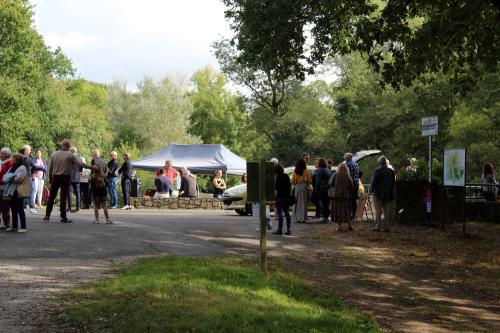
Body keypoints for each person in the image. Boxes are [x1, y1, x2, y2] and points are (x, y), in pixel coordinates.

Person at [43, 139, 93, 223]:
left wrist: (50, 179)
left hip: (55, 177)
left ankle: (47, 216)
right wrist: (92, 167)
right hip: (65, 177)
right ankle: (63, 216)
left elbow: (50, 168)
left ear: (62, 146)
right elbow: (81, 164)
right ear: (68, 147)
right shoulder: (70, 155)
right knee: (63, 197)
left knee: (51, 197)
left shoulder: (54, 154)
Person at [4, 153, 30, 232]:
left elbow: (19, 179)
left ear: (16, 159)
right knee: (13, 209)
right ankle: (14, 226)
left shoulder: (22, 167)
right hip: (12, 191)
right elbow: (5, 176)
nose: (12, 159)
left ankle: (23, 227)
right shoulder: (13, 167)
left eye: (13, 158)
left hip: (18, 190)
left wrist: (11, 178)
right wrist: (10, 177)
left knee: (20, 209)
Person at [371, 156, 396, 232]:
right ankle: (386, 227)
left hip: (378, 194)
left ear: (379, 162)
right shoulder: (391, 171)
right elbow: (393, 183)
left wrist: (372, 190)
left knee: (378, 211)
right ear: (385, 162)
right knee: (386, 211)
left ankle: (377, 226)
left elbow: (374, 182)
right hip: (388, 194)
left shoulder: (377, 170)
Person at [87, 149, 111, 224]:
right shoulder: (103, 161)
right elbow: (106, 172)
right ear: (99, 154)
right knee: (104, 203)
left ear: (94, 155)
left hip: (96, 185)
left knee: (96, 204)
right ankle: (107, 219)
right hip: (103, 184)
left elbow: (93, 174)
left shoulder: (93, 161)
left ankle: (97, 219)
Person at [329, 162, 353, 231]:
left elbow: (330, 183)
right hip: (345, 196)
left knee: (338, 211)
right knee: (346, 211)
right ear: (346, 169)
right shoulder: (348, 175)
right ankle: (349, 225)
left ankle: (340, 227)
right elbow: (351, 186)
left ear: (339, 168)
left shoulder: (335, 175)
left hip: (336, 196)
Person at [291, 158, 312, 224]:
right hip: (304, 187)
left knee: (296, 202)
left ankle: (296, 218)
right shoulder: (306, 171)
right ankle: (302, 218)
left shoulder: (295, 171)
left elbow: (293, 181)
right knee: (304, 203)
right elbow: (309, 181)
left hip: (297, 187)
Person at [273, 164, 292, 235]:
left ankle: (280, 229)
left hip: (279, 197)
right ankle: (289, 229)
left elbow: (276, 189)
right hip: (286, 198)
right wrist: (289, 195)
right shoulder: (286, 176)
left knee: (280, 214)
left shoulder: (277, 177)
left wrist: (274, 197)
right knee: (287, 213)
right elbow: (290, 187)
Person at [315, 158, 332, 223]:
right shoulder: (328, 170)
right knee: (326, 204)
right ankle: (326, 217)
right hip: (328, 189)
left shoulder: (320, 170)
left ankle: (325, 218)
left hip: (322, 190)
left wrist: (316, 190)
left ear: (319, 163)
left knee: (323, 204)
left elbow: (318, 181)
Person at [344, 153, 360, 222]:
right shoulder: (356, 163)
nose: (344, 158)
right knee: (353, 200)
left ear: (347, 158)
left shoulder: (348, 164)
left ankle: (349, 216)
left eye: (344, 157)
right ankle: (354, 215)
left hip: (350, 184)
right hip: (356, 183)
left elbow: (346, 175)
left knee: (348, 199)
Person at [0, 148, 13, 230]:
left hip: (5, 187)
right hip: (1, 186)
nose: (0, 155)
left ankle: (6, 224)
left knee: (5, 207)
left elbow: (8, 176)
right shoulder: (2, 162)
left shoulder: (10, 163)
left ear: (7, 155)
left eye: (2, 154)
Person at [21, 145, 36, 213]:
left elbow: (34, 167)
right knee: (28, 192)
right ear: (26, 150)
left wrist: (32, 174)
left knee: (27, 192)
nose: (30, 151)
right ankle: (28, 207)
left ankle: (27, 207)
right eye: (29, 150)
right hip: (26, 177)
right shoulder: (25, 159)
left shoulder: (27, 159)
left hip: (26, 177)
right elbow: (34, 167)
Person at [68, 147, 82, 213]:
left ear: (71, 151)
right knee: (77, 193)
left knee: (69, 192)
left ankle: (69, 206)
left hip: (69, 177)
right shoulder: (79, 158)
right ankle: (78, 206)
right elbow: (81, 169)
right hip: (77, 177)